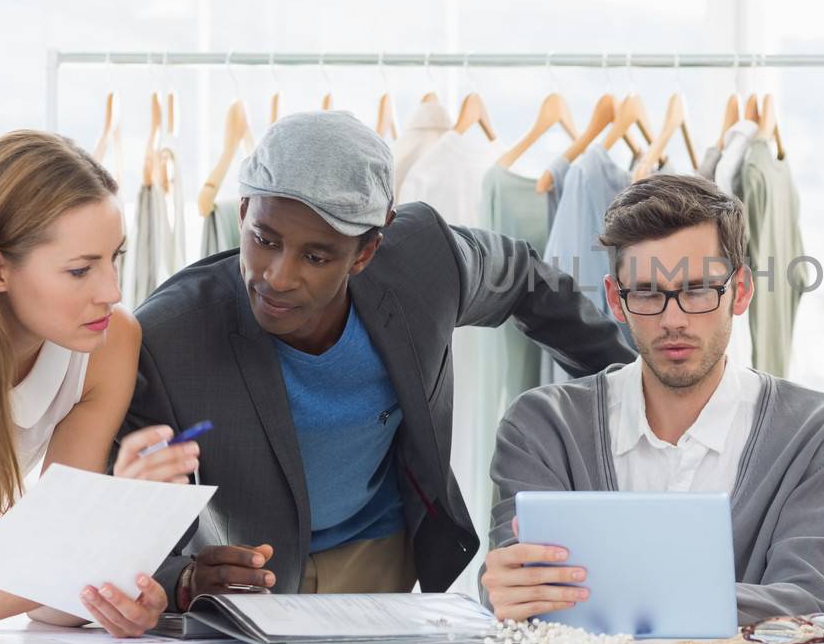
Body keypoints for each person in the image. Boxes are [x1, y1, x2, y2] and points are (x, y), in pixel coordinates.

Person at [125, 111, 634, 610]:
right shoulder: (169, 335)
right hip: (251, 571)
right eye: (265, 240)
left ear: (367, 250)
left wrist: (629, 392)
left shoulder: (424, 262)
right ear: (242, 213)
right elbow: (113, 501)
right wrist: (184, 579)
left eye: (317, 256)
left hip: (380, 553)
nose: (278, 276)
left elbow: (525, 278)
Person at [483, 174, 824, 623]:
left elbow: (814, 602)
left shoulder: (818, 433)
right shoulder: (541, 427)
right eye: (646, 292)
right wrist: (506, 590)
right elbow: (523, 597)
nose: (673, 320)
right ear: (616, 300)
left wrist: (600, 596)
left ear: (739, 291)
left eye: (697, 289)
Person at [0, 131, 197, 636]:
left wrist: (110, 590)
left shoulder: (110, 344)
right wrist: (104, 519)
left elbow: (48, 600)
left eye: (116, 258)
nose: (111, 292)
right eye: (80, 270)